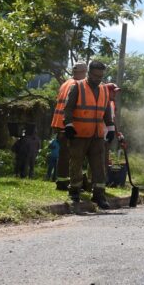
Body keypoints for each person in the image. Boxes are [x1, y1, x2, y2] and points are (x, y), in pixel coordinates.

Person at [62, 60, 115, 209]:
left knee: (99, 166)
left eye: (101, 75)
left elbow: (106, 110)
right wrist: (68, 125)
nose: (98, 78)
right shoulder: (77, 87)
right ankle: (74, 191)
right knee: (76, 163)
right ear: (89, 73)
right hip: (78, 134)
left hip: (97, 135)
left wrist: (110, 128)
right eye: (95, 75)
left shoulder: (104, 89)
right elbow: (68, 108)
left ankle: (99, 195)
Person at [50, 62, 87, 191]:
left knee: (64, 154)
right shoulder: (76, 85)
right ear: (82, 72)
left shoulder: (66, 83)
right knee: (71, 155)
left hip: (60, 123)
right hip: (67, 124)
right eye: (85, 73)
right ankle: (65, 183)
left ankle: (62, 181)